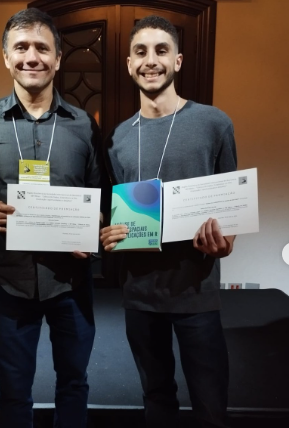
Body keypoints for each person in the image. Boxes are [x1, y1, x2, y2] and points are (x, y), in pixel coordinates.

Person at [0, 8, 103, 428]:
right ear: (6, 57)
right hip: (8, 281)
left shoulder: (84, 127)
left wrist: (91, 231)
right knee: (13, 390)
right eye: (21, 47)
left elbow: (100, 195)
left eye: (42, 47)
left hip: (70, 282)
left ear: (58, 59)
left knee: (74, 382)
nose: (31, 57)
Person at [100, 15, 237, 428]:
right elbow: (115, 207)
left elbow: (229, 208)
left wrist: (226, 241)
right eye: (141, 52)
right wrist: (107, 232)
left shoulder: (214, 123)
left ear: (178, 60)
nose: (151, 60)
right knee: (156, 400)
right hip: (139, 293)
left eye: (161, 50)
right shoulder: (118, 137)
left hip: (196, 290)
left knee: (211, 405)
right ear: (128, 64)